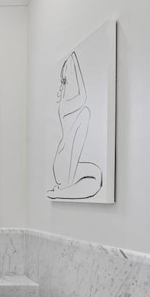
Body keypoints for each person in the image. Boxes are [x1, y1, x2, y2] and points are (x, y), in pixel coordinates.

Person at [47, 51, 102, 200]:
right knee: (94, 179)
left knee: (96, 175)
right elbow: (83, 95)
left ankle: (61, 192)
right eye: (63, 82)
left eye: (63, 82)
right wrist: (73, 60)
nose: (61, 88)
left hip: (62, 163)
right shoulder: (67, 105)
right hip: (63, 163)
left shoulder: (68, 106)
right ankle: (62, 191)